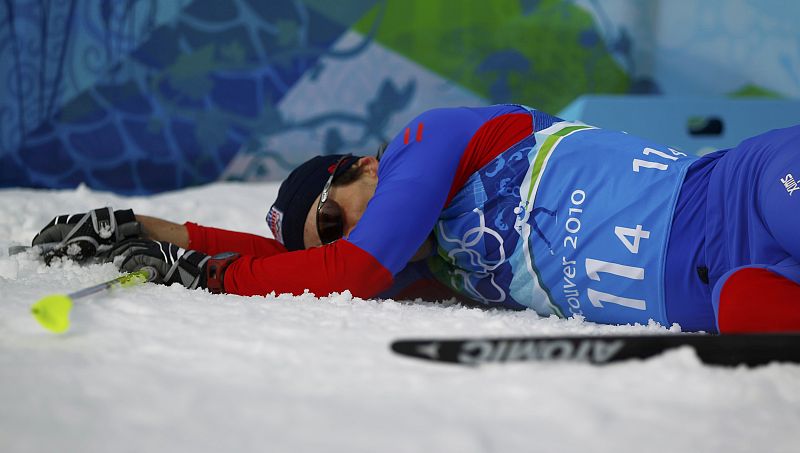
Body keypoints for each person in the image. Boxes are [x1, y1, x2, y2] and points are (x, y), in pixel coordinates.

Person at [31, 104, 800, 334]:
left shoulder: (424, 142)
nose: (350, 239)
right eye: (328, 238)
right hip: (725, 282)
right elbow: (322, 270)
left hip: (737, 190)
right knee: (756, 318)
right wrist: (170, 235)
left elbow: (349, 266)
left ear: (360, 166)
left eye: (335, 216)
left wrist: (207, 270)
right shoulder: (431, 265)